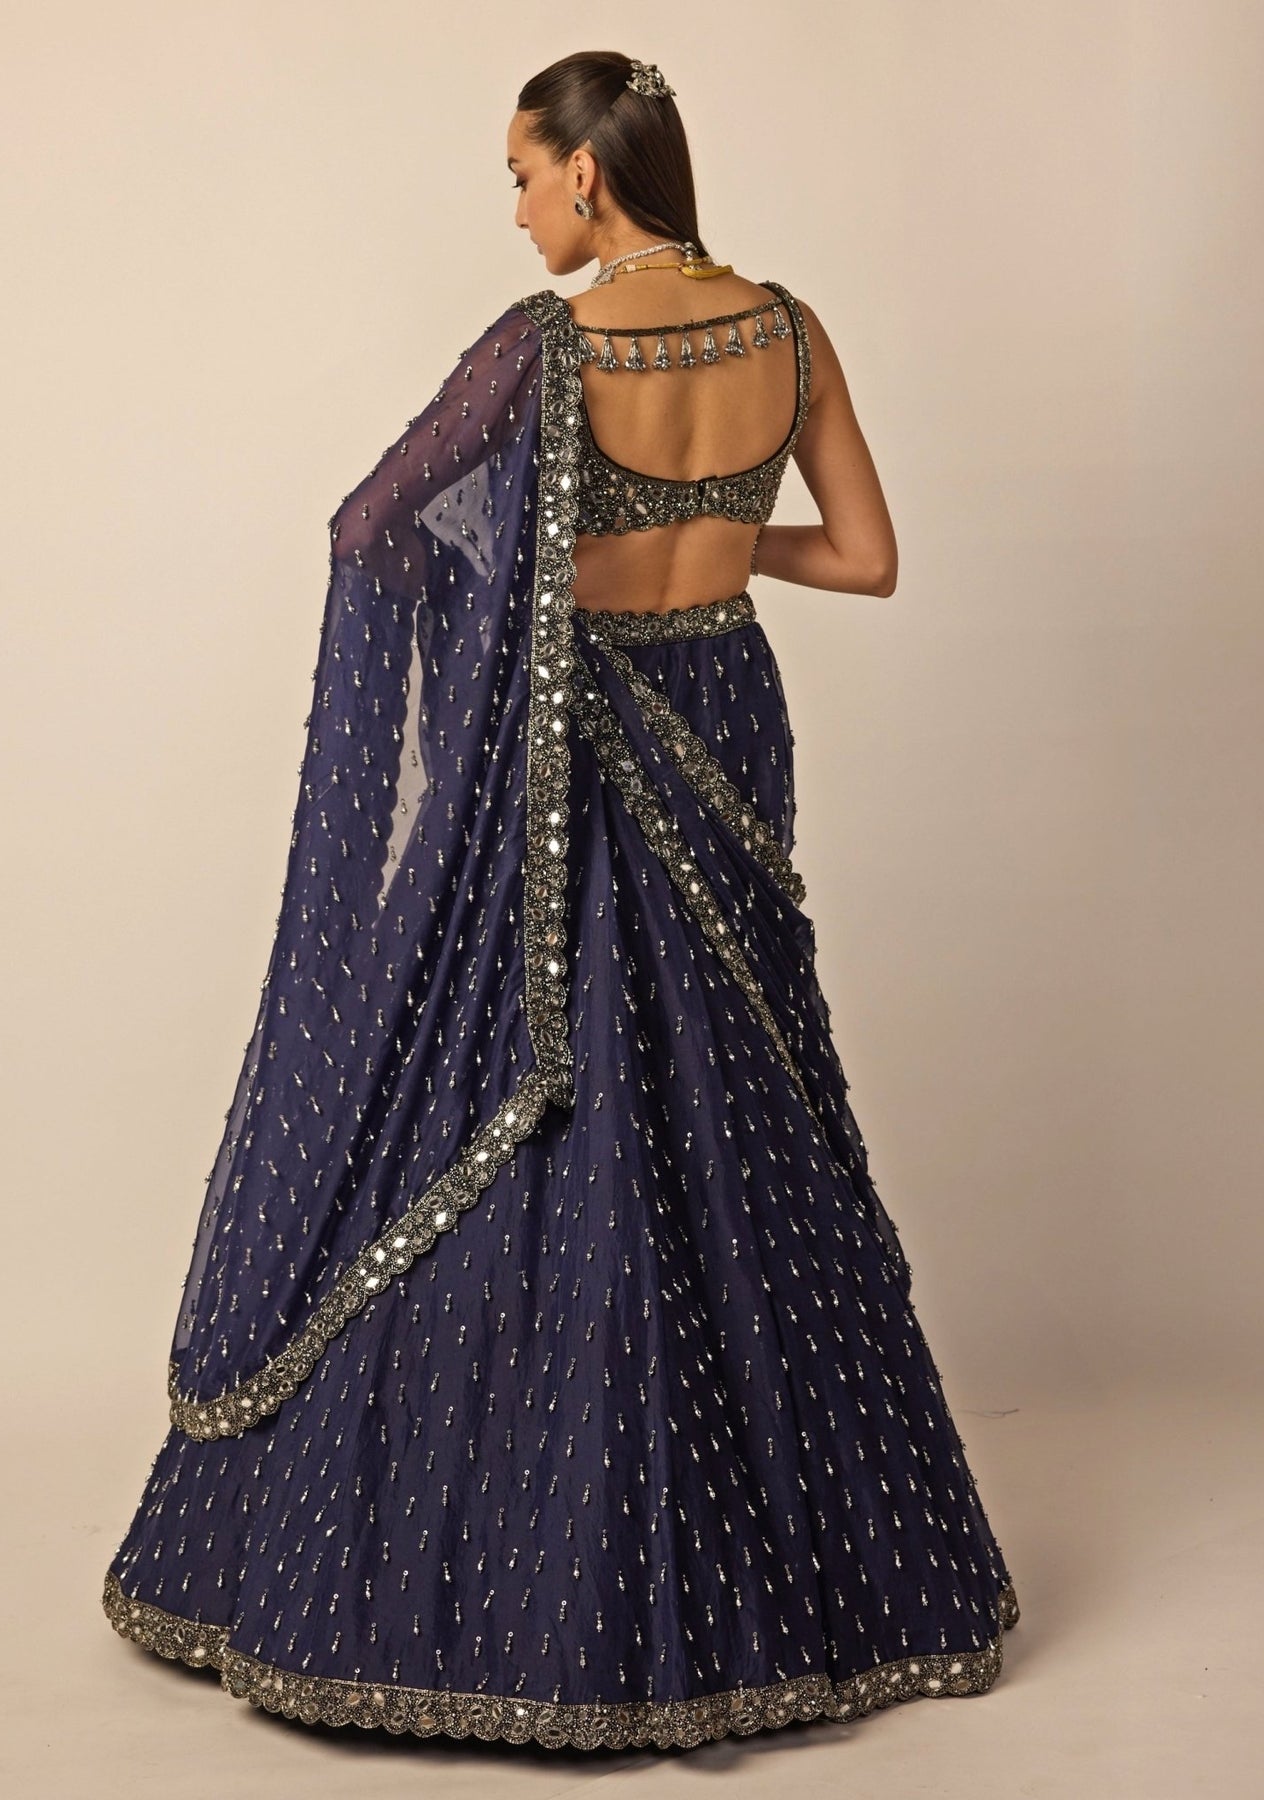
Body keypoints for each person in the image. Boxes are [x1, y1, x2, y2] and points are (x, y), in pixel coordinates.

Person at [100, 49, 1019, 1754]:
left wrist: (529, 589)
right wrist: (722, 541)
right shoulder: (790, 331)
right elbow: (865, 556)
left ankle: (501, 1579)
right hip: (725, 713)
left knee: (553, 1093)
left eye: (522, 177)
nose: (519, 211)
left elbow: (369, 530)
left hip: (586, 728)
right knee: (731, 1100)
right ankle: (833, 1583)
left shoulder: (548, 344)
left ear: (587, 174)